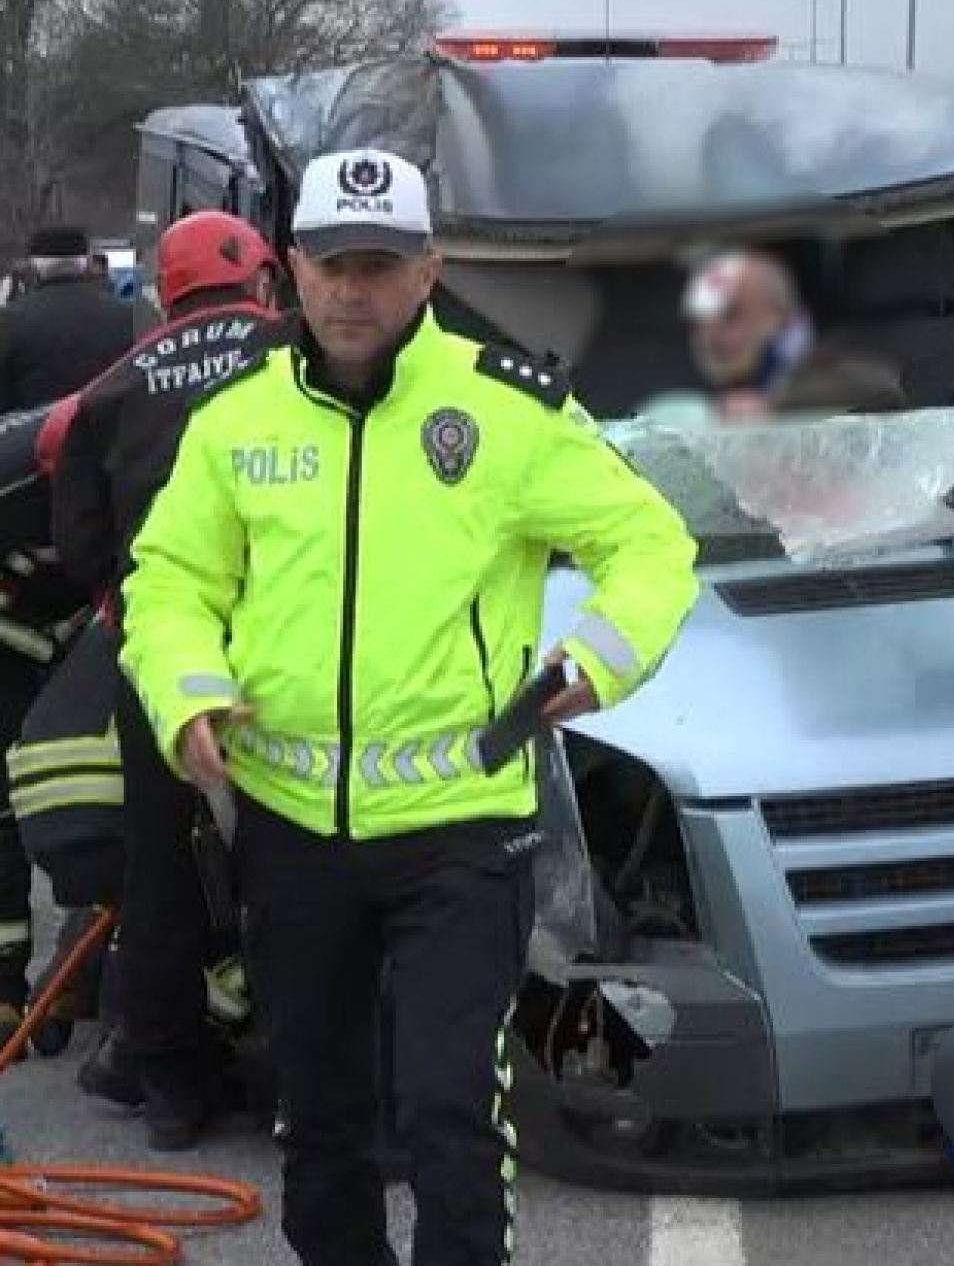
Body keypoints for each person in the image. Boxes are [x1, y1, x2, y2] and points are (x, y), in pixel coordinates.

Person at [120, 147, 698, 1266]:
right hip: (288, 830)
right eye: (331, 260)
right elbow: (170, 580)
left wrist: (599, 656)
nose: (351, 288)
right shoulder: (233, 422)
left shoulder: (503, 410)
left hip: (461, 834)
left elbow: (651, 544)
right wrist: (184, 689)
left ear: (427, 270)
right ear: (290, 266)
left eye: (379, 263)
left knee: (445, 1108)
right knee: (321, 1121)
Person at [49, 210, 286, 1149]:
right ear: (261, 276)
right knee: (300, 872)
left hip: (160, 664)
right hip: (287, 663)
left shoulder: (110, 392)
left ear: (166, 287)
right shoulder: (301, 349)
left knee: (158, 883)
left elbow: (81, 547)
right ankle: (294, 1080)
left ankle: (175, 1096)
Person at [0, 227, 133, 1053]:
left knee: (10, 806)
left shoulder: (12, 329)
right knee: (117, 799)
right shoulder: (131, 327)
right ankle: (83, 982)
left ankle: (13, 992)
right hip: (102, 591)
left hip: (24, 590)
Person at [681, 248, 908, 420]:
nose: (709, 336)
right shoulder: (702, 388)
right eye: (698, 322)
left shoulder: (841, 346)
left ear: (781, 316)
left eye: (731, 315)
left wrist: (775, 406)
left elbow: (883, 389)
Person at [0, 227, 133, 415]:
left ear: (33, 264)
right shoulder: (127, 315)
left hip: (36, 437)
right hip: (111, 435)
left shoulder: (11, 319)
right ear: (87, 261)